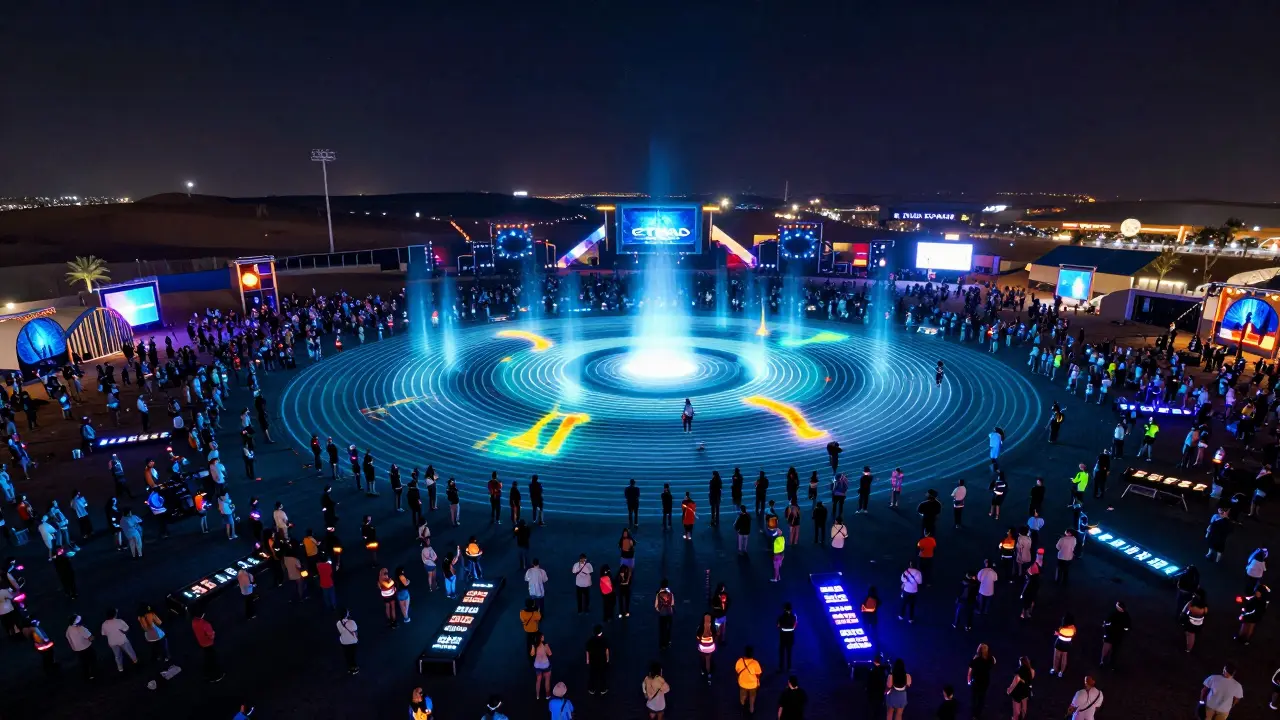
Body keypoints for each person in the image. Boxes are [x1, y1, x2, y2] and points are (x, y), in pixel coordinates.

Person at [101, 607, 138, 673]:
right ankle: (135, 661)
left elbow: (103, 633)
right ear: (114, 615)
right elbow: (126, 629)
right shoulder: (119, 621)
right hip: (122, 640)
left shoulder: (104, 624)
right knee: (129, 651)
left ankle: (120, 668)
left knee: (117, 655)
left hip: (112, 642)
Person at [192, 609, 224, 682]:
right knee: (212, 658)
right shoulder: (205, 624)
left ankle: (207, 673)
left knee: (207, 657)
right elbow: (211, 635)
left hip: (201, 642)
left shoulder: (193, 621)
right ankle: (215, 676)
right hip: (208, 643)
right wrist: (213, 633)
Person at [65, 614, 98, 680]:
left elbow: (68, 638)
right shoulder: (81, 628)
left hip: (77, 650)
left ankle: (86, 676)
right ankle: (93, 675)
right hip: (86, 648)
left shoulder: (68, 629)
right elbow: (91, 638)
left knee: (84, 663)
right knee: (92, 661)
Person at [968, 643, 996, 717]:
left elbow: (970, 669)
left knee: (974, 697)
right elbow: (994, 662)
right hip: (985, 681)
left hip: (976, 681)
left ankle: (974, 714)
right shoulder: (989, 659)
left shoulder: (975, 659)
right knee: (982, 697)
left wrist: (968, 680)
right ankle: (978, 714)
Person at [1099, 601, 1130, 668]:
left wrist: (1125, 629)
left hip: (1117, 635)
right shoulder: (1113, 613)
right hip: (1111, 635)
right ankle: (1103, 662)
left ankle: (1111, 664)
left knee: (1114, 651)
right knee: (1107, 649)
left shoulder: (1124, 615)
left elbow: (1128, 626)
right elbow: (1106, 623)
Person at [734, 646, 763, 714]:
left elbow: (737, 671)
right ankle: (751, 709)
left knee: (743, 695)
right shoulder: (755, 663)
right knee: (752, 697)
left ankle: (743, 706)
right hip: (753, 685)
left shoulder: (740, 661)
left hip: (742, 683)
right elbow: (759, 674)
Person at [1007, 656, 1034, 720]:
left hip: (1018, 692)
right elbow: (1029, 680)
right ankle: (1023, 718)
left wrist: (1009, 690)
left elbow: (1015, 682)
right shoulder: (1032, 671)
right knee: (1024, 707)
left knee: (1017, 709)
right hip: (1026, 691)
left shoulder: (1019, 671)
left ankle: (1015, 718)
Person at [1051, 613, 1077, 677]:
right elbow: (1073, 635)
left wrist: (1058, 634)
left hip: (1059, 643)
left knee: (1056, 657)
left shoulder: (1062, 628)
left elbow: (1060, 633)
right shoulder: (1073, 628)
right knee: (1064, 659)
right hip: (1067, 645)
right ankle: (1061, 672)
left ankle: (1055, 669)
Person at [695, 613, 717, 684]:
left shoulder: (700, 628)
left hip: (702, 648)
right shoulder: (713, 628)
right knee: (708, 660)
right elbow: (715, 637)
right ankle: (709, 674)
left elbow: (697, 638)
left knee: (702, 658)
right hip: (710, 647)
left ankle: (702, 671)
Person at [531, 632, 553, 700]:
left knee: (538, 680)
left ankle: (537, 696)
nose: (543, 638)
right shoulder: (545, 645)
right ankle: (547, 695)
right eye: (542, 637)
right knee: (547, 680)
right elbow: (550, 653)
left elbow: (532, 654)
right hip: (545, 665)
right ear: (540, 638)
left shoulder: (534, 645)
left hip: (537, 665)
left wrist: (533, 647)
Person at [336, 608, 359, 675]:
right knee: (352, 655)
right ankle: (354, 668)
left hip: (344, 642)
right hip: (352, 642)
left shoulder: (338, 623)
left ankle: (350, 667)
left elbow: (340, 632)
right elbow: (355, 630)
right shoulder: (351, 622)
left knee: (347, 655)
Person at [777, 602, 798, 670]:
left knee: (782, 653)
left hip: (783, 636)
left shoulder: (781, 617)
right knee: (788, 652)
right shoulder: (794, 616)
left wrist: (782, 627)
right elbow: (795, 626)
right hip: (790, 636)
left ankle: (781, 667)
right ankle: (788, 667)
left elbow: (778, 626)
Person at [655, 578, 675, 649]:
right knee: (668, 628)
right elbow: (672, 604)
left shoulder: (658, 594)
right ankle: (668, 641)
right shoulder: (670, 594)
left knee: (662, 629)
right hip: (669, 613)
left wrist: (659, 610)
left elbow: (656, 606)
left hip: (662, 614)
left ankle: (662, 644)